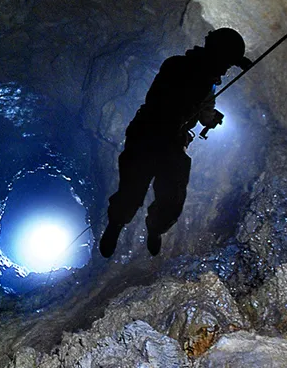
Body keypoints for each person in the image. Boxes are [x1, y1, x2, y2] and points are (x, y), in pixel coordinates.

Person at [99, 28, 252, 258]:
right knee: (132, 191)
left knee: (172, 199)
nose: (224, 70)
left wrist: (210, 117)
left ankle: (155, 229)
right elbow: (164, 98)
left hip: (172, 142)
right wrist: (198, 96)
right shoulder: (177, 66)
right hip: (148, 134)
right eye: (225, 64)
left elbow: (204, 112)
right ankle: (116, 225)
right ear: (216, 55)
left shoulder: (207, 84)